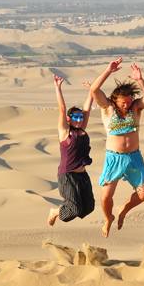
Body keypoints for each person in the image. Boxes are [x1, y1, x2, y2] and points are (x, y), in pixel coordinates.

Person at [89, 57, 144, 237]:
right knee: (105, 197)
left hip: (134, 157)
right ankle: (108, 218)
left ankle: (124, 211)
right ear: (115, 100)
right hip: (114, 158)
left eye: (128, 101)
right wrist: (108, 71)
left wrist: (140, 80)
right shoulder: (107, 108)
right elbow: (94, 89)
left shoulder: (135, 108)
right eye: (122, 102)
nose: (126, 104)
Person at [47, 74, 95, 226]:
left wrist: (92, 90)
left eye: (81, 117)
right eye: (75, 117)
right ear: (69, 119)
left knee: (88, 208)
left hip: (82, 176)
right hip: (68, 175)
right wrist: (57, 88)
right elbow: (62, 109)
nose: (79, 120)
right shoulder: (65, 132)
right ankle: (55, 212)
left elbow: (87, 108)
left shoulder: (82, 130)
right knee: (73, 209)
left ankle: (62, 211)